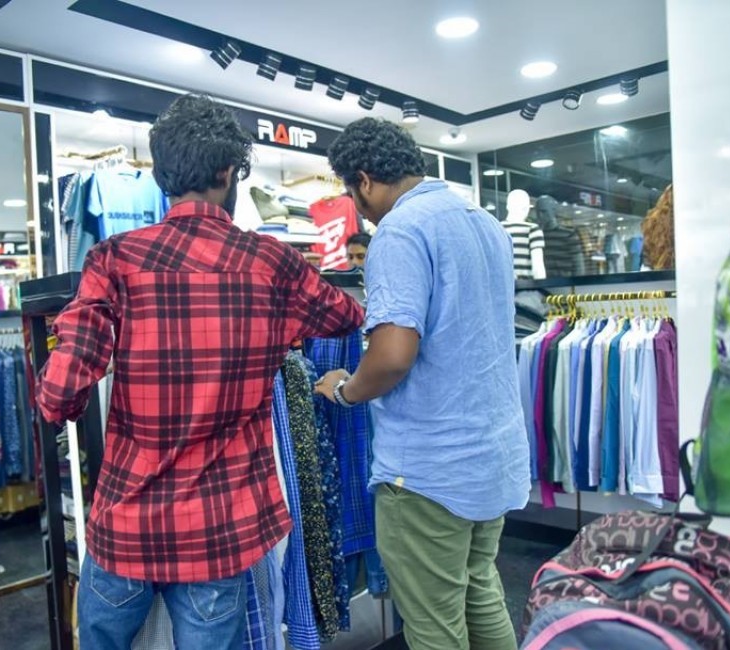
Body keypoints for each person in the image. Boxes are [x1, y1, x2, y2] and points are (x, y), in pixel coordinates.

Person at [35, 95, 365, 650]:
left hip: (126, 524)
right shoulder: (272, 262)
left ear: (162, 176)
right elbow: (346, 316)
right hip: (216, 529)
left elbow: (59, 395)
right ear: (227, 173)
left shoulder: (115, 260)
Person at [315, 117, 531, 650]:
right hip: (492, 457)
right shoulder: (483, 222)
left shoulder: (400, 231)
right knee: (480, 592)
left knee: (435, 626)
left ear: (365, 180)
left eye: (353, 195)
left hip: (428, 471)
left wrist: (345, 389)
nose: (361, 212)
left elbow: (392, 356)